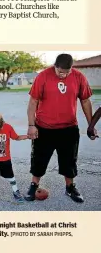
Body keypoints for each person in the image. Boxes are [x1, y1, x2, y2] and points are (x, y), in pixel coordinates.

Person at [25, 54, 96, 203]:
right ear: (55, 66)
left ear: (72, 68)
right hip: (44, 128)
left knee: (69, 161)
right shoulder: (43, 76)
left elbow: (85, 101)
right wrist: (31, 125)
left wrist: (91, 125)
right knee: (39, 159)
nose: (63, 75)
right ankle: (34, 185)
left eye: (67, 72)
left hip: (69, 128)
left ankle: (70, 188)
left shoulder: (78, 77)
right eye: (60, 72)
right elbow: (33, 102)